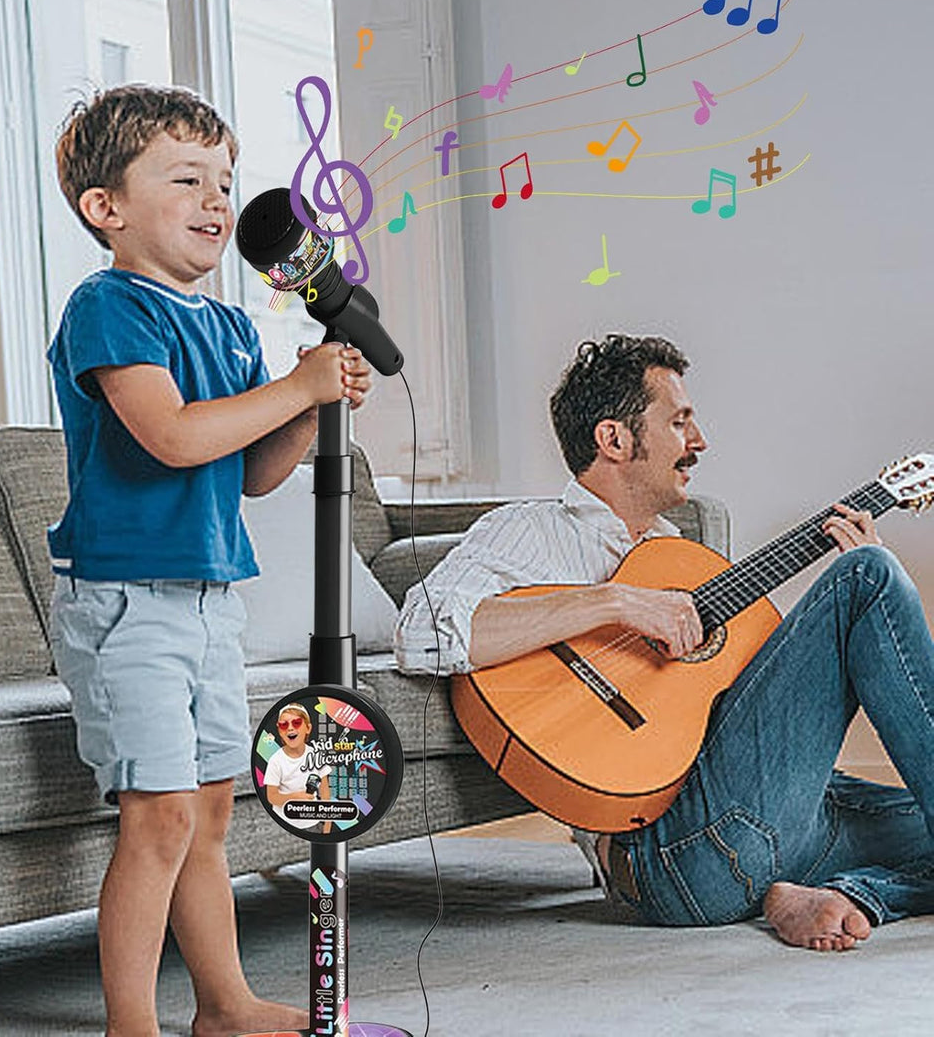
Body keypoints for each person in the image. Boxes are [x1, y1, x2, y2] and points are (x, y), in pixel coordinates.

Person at [395, 334, 934, 953]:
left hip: (774, 819)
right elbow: (422, 631)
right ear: (615, 440)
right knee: (868, 577)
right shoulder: (533, 531)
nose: (699, 441)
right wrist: (615, 602)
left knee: (866, 578)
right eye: (679, 422)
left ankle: (848, 895)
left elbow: (739, 708)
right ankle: (814, 885)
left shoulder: (681, 559)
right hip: (671, 852)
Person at [46, 84, 371, 1037]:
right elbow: (175, 439)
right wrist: (294, 386)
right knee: (157, 816)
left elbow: (256, 474)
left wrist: (317, 401)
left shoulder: (231, 327)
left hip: (207, 600)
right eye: (186, 179)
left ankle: (223, 1006)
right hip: (123, 603)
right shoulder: (109, 308)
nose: (216, 201)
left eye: (223, 182)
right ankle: (130, 1023)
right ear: (106, 208)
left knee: (213, 812)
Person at [263, 703, 333, 832]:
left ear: (308, 728)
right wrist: (293, 797)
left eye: (296, 723)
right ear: (279, 730)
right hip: (284, 823)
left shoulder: (315, 754)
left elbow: (324, 791)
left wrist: (327, 825)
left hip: (313, 822)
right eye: (284, 725)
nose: (290, 728)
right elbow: (271, 797)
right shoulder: (276, 760)